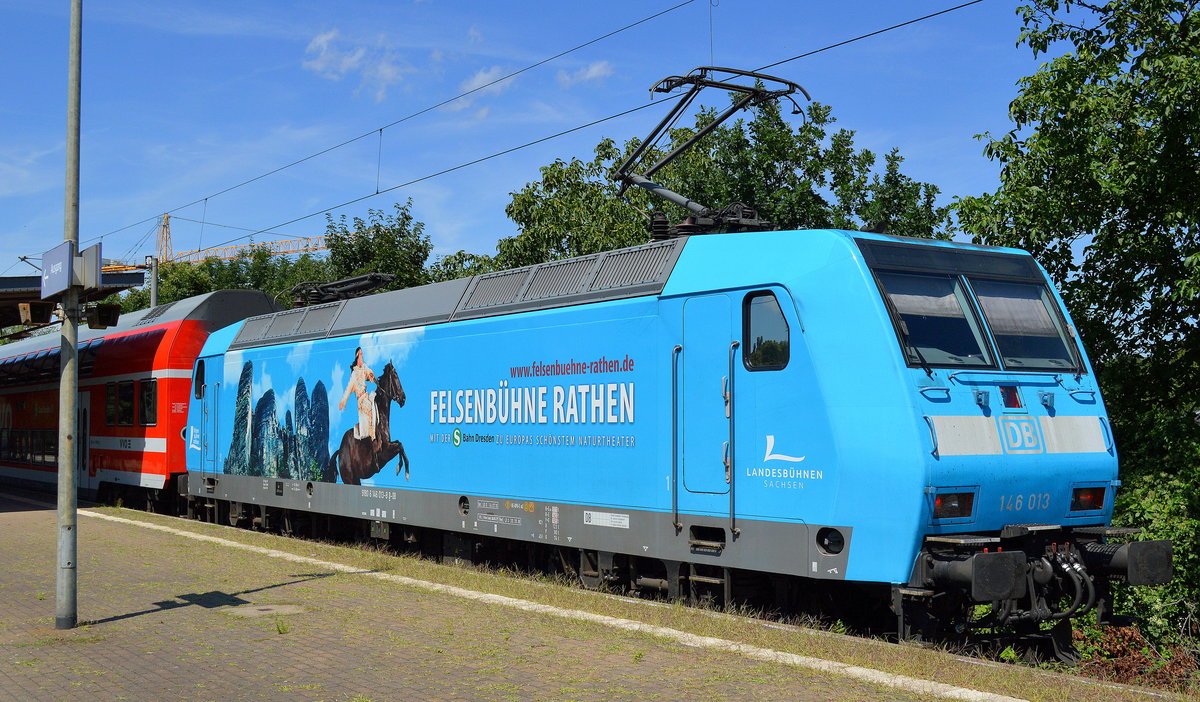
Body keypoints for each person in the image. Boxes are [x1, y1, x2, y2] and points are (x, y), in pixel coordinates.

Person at [339, 347, 377, 442]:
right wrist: (343, 401)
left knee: (376, 401)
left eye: (362, 354)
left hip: (366, 395)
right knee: (369, 408)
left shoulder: (364, 367)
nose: (362, 356)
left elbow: (369, 373)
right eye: (360, 354)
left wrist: (371, 375)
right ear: (357, 356)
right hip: (361, 399)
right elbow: (348, 389)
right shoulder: (354, 373)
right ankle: (372, 435)